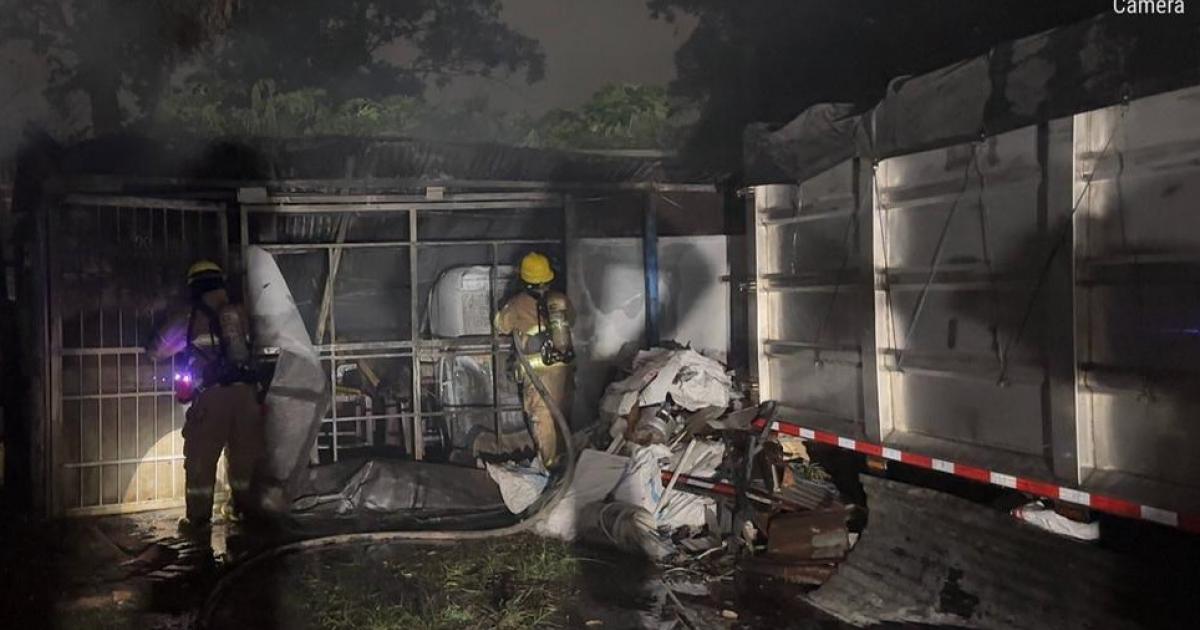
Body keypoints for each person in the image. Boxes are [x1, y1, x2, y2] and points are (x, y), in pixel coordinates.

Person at [146, 260, 262, 542]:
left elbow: (156, 351)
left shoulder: (189, 315)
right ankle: (243, 513)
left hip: (211, 399)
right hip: (247, 396)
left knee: (200, 461)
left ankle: (198, 522)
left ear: (193, 286)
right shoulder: (242, 313)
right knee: (244, 462)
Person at [494, 252, 575, 466]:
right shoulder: (560, 300)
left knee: (543, 420)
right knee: (563, 418)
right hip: (564, 372)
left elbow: (500, 325)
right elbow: (573, 319)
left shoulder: (518, 304)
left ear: (524, 279)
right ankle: (569, 463)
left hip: (539, 376)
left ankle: (551, 469)